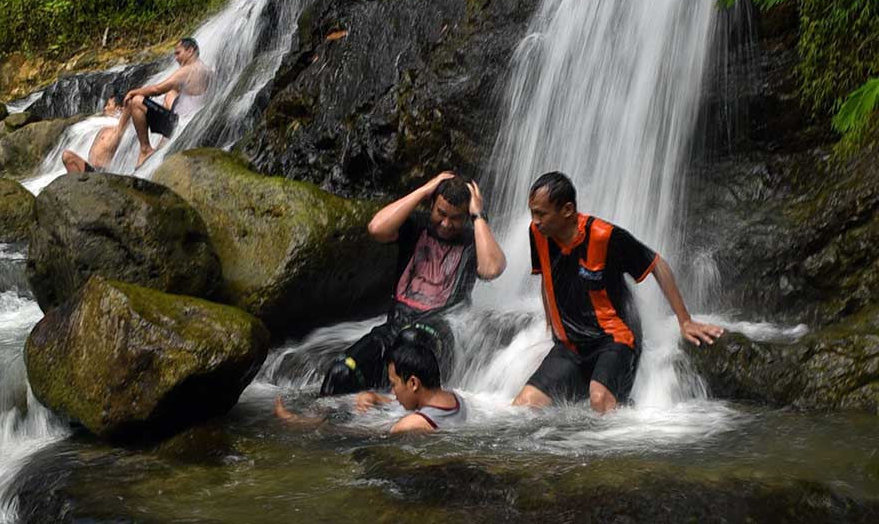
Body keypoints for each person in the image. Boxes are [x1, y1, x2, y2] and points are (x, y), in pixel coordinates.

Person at [512, 172, 725, 414]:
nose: (535, 220)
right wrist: (551, 327)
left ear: (568, 210)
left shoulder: (605, 236)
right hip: (570, 345)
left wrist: (685, 321)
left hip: (614, 340)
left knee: (599, 399)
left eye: (541, 213)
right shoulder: (538, 234)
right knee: (522, 407)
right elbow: (548, 276)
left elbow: (657, 264)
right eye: (532, 213)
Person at [319, 172, 507, 396]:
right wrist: (423, 191)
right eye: (441, 213)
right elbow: (376, 228)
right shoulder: (416, 227)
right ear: (431, 206)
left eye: (456, 218)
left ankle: (387, 408)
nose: (446, 224)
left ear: (466, 216)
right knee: (341, 371)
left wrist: (479, 216)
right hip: (394, 327)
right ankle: (323, 422)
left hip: (439, 333)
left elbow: (492, 269)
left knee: (410, 339)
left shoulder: (471, 242)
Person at [276, 342, 466, 434]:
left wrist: (301, 422)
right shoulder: (456, 399)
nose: (393, 392)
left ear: (413, 383)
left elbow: (355, 431)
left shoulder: (411, 425)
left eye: (393, 384)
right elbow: (406, 403)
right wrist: (375, 398)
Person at [124, 37, 212, 168]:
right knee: (171, 94)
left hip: (178, 126)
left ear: (190, 51)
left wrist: (133, 92)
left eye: (178, 53)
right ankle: (162, 145)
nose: (176, 58)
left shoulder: (186, 70)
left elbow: (157, 89)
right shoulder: (207, 70)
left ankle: (145, 149)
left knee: (136, 101)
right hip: (194, 124)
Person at [61, 95, 130, 173]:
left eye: (108, 105)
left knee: (68, 156)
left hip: (101, 171)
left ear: (118, 108)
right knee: (67, 157)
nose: (105, 108)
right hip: (91, 168)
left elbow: (127, 114)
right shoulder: (103, 127)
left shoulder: (118, 129)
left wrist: (128, 103)